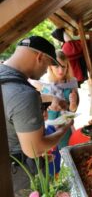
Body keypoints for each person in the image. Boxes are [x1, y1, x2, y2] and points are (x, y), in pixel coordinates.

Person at [0, 36, 73, 194]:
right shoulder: (24, 94)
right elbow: (35, 149)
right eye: (48, 64)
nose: (46, 70)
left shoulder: (4, 77)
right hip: (19, 176)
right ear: (40, 57)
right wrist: (64, 128)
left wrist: (50, 99)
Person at [42, 50, 79, 149]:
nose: (60, 71)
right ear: (50, 67)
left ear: (67, 67)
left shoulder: (72, 82)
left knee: (67, 158)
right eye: (56, 66)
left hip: (66, 128)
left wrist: (73, 104)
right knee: (53, 160)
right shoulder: (45, 84)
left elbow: (73, 110)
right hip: (49, 128)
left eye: (63, 66)